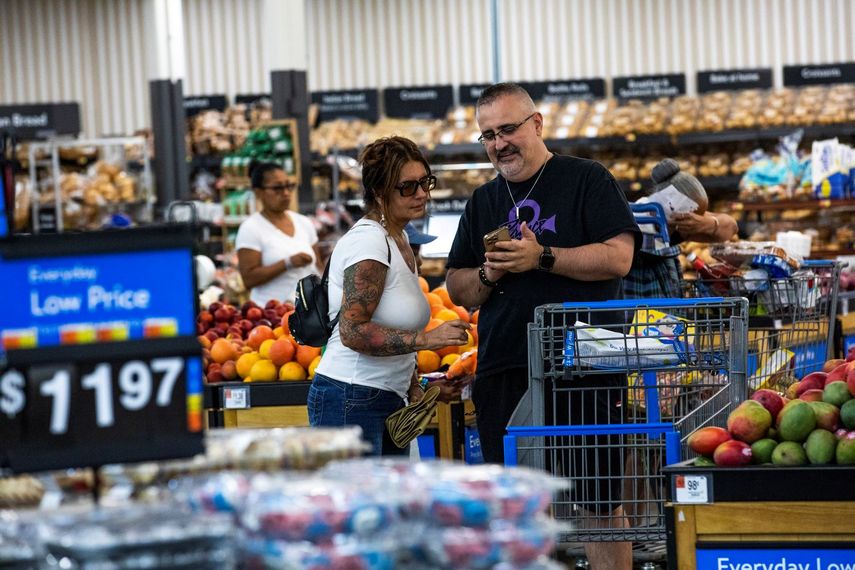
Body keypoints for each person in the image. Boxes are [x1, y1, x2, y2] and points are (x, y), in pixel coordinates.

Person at [444, 82, 640, 570]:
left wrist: (541, 257)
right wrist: (492, 271)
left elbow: (619, 258)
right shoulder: (483, 200)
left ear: (537, 124)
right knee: (518, 510)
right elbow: (457, 287)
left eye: (508, 128)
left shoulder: (586, 179)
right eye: (487, 135)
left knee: (600, 505)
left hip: (586, 369)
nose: (499, 143)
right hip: (505, 367)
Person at [308, 137, 471, 456]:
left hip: (383, 398)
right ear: (380, 193)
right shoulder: (369, 244)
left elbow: (390, 322)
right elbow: (354, 331)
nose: (422, 194)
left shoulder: (398, 239)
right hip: (350, 399)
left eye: (426, 183)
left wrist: (417, 386)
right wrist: (427, 340)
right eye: (408, 187)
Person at [624, 158, 739, 299]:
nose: (694, 222)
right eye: (694, 215)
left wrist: (707, 223)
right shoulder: (632, 222)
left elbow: (731, 227)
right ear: (673, 206)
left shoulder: (676, 224)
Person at [236, 163, 322, 305]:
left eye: (289, 186)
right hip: (269, 316)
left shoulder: (304, 223)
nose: (286, 193)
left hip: (307, 314)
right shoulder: (251, 228)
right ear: (258, 192)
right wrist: (287, 263)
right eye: (277, 188)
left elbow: (318, 267)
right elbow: (248, 279)